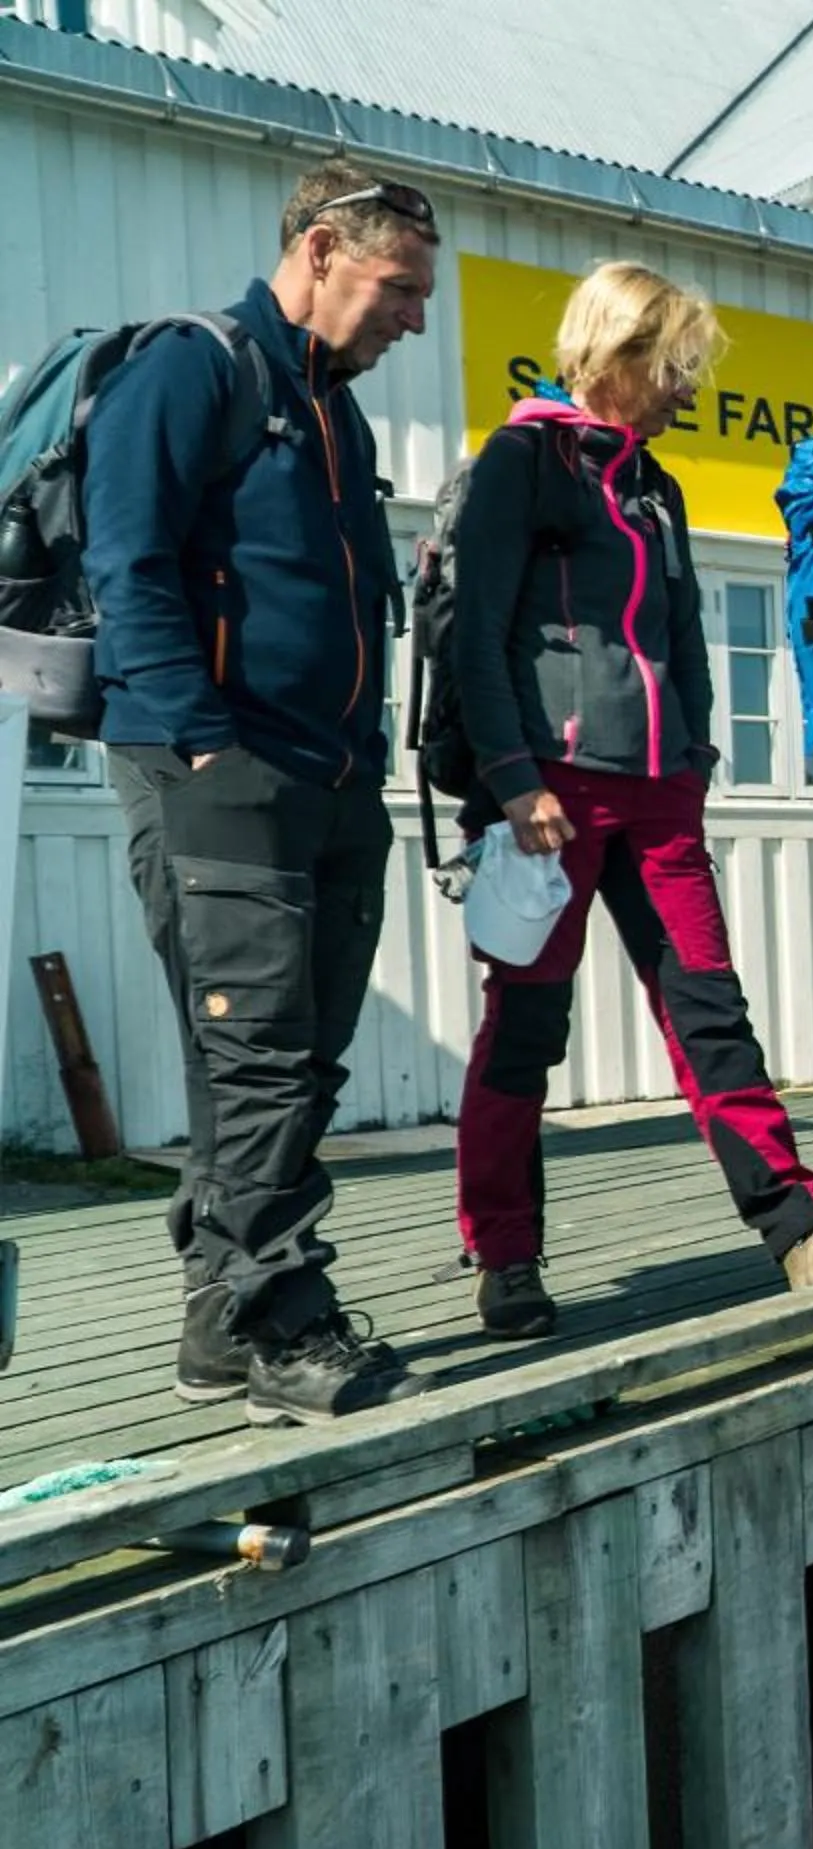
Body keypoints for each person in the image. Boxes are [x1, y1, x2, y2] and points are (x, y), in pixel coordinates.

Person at [445, 261, 813, 1337]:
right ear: (619, 353)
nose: (688, 392)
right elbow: (476, 636)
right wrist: (515, 779)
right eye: (676, 369)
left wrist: (700, 757)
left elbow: (680, 638)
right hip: (550, 798)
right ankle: (506, 1254)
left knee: (712, 1014)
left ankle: (805, 1232)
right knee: (526, 1027)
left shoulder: (653, 484)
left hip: (662, 797)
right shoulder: (522, 459)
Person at [89, 164, 438, 1423]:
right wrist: (199, 745)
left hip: (332, 775)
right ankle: (286, 1327)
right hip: (221, 769)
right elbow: (125, 557)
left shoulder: (332, 412)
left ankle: (215, 1328)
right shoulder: (198, 366)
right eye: (398, 289)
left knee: (296, 1064)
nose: (413, 319)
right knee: (256, 1059)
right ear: (318, 250)